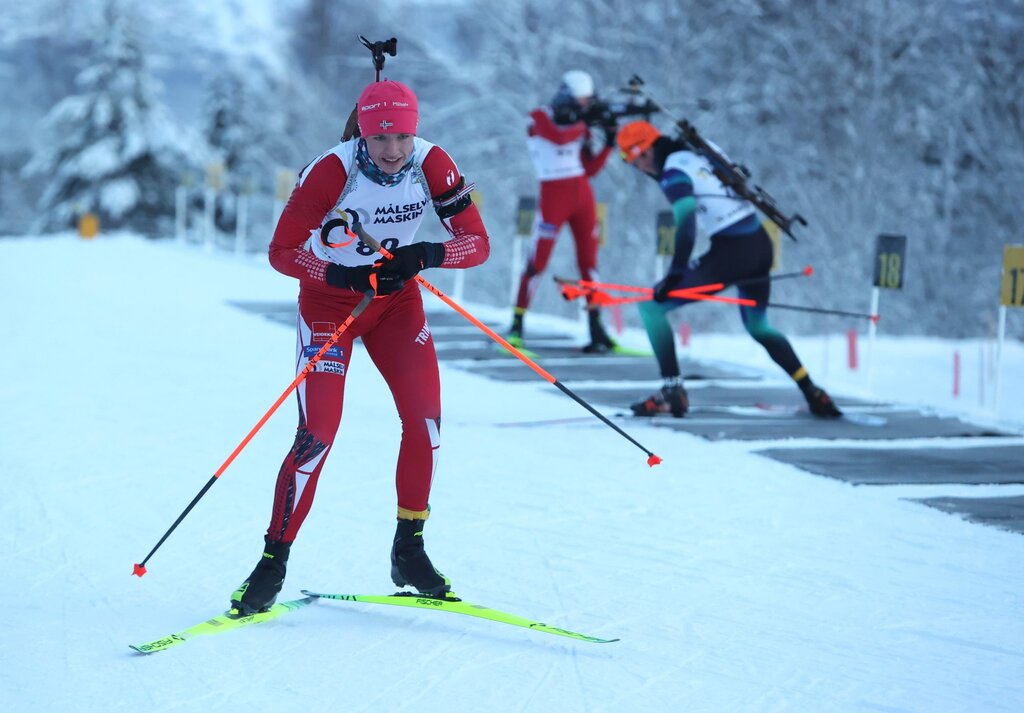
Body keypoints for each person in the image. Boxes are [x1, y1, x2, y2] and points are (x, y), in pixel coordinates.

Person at [230, 79, 490, 615]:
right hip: (331, 307)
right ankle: (272, 561)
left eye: (403, 138)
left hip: (396, 306)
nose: (393, 151)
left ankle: (409, 550)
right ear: (362, 135)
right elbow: (281, 252)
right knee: (318, 433)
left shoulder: (433, 163)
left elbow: (477, 243)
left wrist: (426, 254)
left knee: (426, 421)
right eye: (380, 139)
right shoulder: (332, 171)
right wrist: (343, 276)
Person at [615, 120, 841, 419]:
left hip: (732, 253)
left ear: (644, 153)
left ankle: (672, 391)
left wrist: (675, 274)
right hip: (760, 243)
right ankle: (812, 391)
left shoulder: (673, 174)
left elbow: (686, 221)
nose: (639, 170)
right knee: (759, 327)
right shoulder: (699, 151)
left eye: (634, 162)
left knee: (651, 308)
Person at [508, 69, 618, 353]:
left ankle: (597, 329)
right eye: (580, 102)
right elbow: (558, 137)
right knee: (537, 263)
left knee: (589, 263)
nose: (583, 107)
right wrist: (585, 123)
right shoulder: (540, 116)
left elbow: (590, 168)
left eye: (587, 102)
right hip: (553, 198)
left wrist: (609, 142)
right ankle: (516, 327)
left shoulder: (580, 125)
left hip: (582, 195)